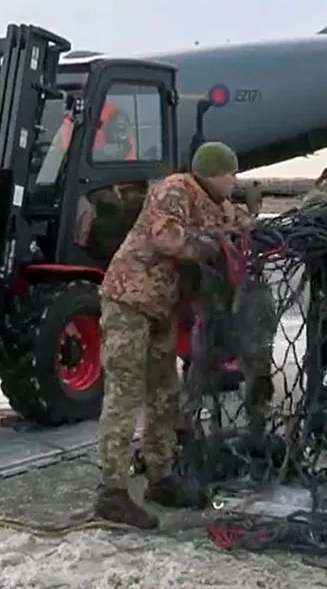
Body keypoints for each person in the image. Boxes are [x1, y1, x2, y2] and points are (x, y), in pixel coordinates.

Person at [94, 141, 252, 529]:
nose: (234, 181)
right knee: (125, 393)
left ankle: (159, 476)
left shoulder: (214, 204)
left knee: (164, 394)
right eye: (230, 173)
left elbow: (237, 222)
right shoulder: (175, 189)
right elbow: (165, 237)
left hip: (162, 309)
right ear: (214, 173)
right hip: (130, 301)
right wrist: (210, 247)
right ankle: (112, 492)